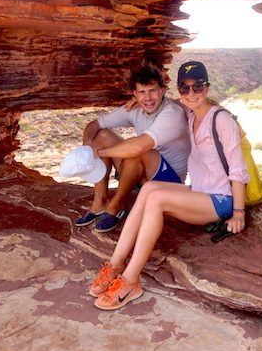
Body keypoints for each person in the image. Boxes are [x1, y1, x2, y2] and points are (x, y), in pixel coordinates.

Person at [89, 61, 249, 310]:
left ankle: (131, 281)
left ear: (206, 87)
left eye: (197, 86)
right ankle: (115, 265)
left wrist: (239, 213)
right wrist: (139, 100)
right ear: (177, 91)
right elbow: (167, 103)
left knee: (157, 198)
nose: (191, 93)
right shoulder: (189, 114)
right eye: (185, 88)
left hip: (220, 199)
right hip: (198, 193)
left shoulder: (222, 120)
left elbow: (238, 169)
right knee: (151, 189)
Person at [75, 63, 191, 233]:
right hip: (143, 172)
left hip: (170, 182)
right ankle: (99, 202)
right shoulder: (136, 108)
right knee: (102, 136)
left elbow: (140, 146)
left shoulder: (172, 113)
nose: (148, 98)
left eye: (152, 90)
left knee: (140, 149)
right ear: (135, 94)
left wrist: (98, 153)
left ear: (163, 90)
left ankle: (115, 207)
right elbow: (95, 124)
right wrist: (88, 145)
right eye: (142, 92)